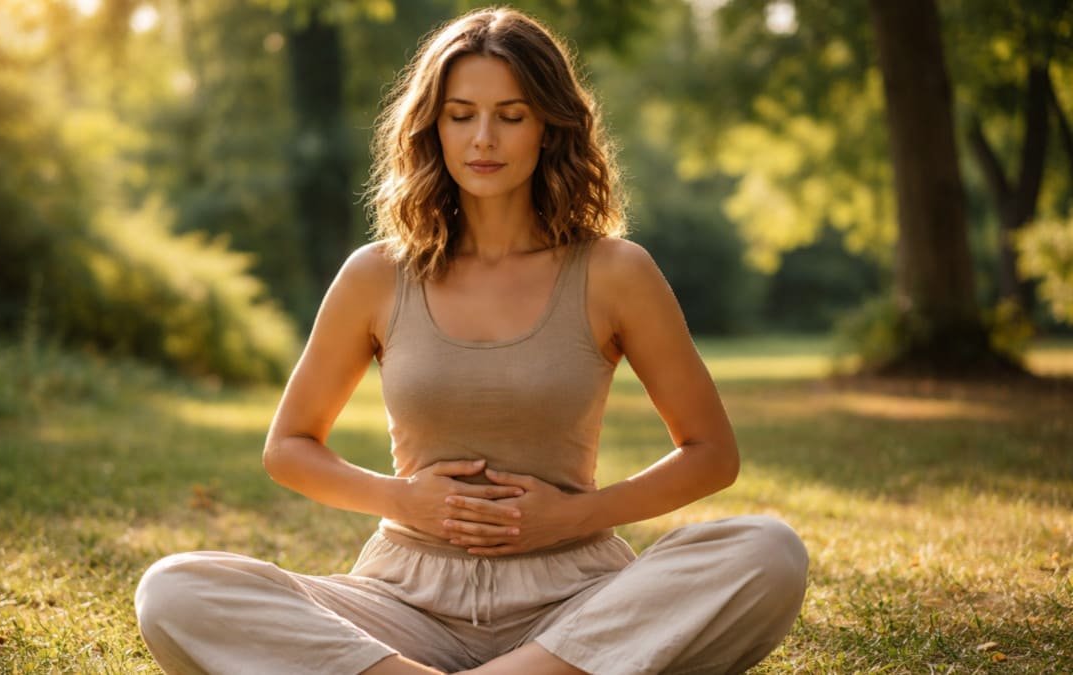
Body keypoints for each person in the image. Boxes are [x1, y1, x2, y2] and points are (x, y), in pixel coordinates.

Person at [134, 7, 808, 674]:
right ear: (433, 127)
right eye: (461, 115)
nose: (483, 137)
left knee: (768, 551)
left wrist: (572, 518)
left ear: (549, 127)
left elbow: (711, 453)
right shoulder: (376, 274)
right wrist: (403, 499)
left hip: (575, 602)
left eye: (510, 115)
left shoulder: (615, 272)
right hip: (403, 601)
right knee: (174, 589)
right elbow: (289, 447)